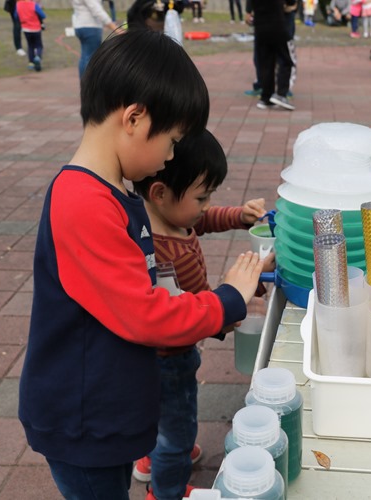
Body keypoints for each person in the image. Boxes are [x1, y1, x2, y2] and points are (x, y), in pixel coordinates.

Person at [18, 29, 266, 500]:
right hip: (84, 422)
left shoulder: (113, 191)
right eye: (172, 141)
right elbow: (145, 313)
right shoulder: (84, 203)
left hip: (104, 407)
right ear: (134, 118)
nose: (171, 156)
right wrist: (226, 300)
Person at [131, 131, 271, 500]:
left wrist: (238, 216)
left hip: (149, 360)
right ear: (161, 192)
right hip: (171, 358)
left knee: (156, 412)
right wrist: (246, 289)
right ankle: (167, 489)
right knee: (177, 426)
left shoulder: (157, 218)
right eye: (201, 196)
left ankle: (150, 457)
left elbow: (202, 220)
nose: (206, 205)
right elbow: (199, 316)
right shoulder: (164, 255)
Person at [253, 0, 296, 111]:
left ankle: (266, 97)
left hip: (260, 27)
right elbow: (291, 3)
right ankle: (281, 94)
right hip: (277, 25)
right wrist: (291, 4)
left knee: (265, 63)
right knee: (287, 60)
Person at [71, 0, 119, 79]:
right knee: (91, 57)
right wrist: (114, 27)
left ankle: (84, 84)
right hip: (90, 26)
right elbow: (96, 10)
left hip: (80, 25)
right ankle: (89, 84)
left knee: (85, 56)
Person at [14, 0, 46, 72]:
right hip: (36, 28)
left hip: (26, 29)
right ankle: (37, 57)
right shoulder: (33, 5)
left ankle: (31, 63)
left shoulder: (18, 4)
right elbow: (43, 15)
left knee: (30, 45)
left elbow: (16, 16)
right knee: (39, 45)